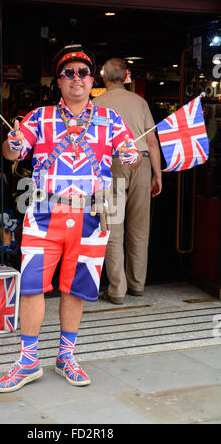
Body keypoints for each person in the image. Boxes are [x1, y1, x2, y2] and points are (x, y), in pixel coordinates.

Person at [0, 45, 139, 393]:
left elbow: (130, 157)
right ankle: (27, 362)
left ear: (93, 81)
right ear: (58, 81)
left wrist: (132, 154)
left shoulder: (111, 120)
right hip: (43, 211)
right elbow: (12, 151)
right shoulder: (39, 117)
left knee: (76, 289)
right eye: (68, 73)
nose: (77, 78)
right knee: (31, 288)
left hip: (91, 212)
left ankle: (65, 356)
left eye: (83, 73)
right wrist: (12, 143)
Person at [93, 58, 162, 304]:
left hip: (112, 165)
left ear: (104, 78)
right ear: (125, 77)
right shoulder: (140, 102)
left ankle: (117, 290)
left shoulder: (96, 104)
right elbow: (152, 141)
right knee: (139, 228)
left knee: (113, 226)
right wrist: (157, 174)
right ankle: (137, 285)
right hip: (142, 163)